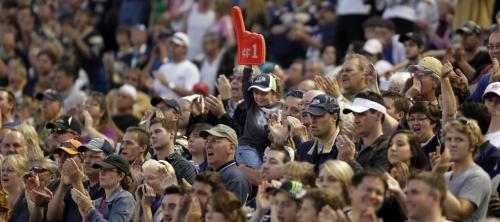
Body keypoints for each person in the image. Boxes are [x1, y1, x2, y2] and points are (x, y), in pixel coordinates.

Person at [434, 118, 492, 221]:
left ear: (472, 146)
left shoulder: (478, 177)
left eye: (459, 140)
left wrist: (437, 176)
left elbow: (457, 214)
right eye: (449, 139)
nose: (452, 144)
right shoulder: (445, 176)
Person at [237, 70, 281, 169]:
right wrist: (248, 67)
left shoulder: (280, 109)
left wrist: (275, 132)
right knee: (261, 172)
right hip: (247, 148)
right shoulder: (252, 104)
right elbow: (245, 84)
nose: (259, 97)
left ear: (274, 94)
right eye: (256, 93)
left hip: (265, 151)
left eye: (264, 93)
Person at [71, 154, 136, 222]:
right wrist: (85, 216)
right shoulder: (98, 202)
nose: (102, 172)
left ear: (120, 176)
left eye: (108, 169)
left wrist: (89, 209)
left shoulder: (125, 198)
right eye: (101, 168)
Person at [340, 92, 391, 172]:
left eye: (361, 114)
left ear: (378, 115)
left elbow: (375, 182)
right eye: (354, 115)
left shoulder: (388, 146)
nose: (356, 120)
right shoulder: (353, 146)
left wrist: (350, 160)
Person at [200, 124, 252, 203]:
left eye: (214, 141)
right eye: (207, 141)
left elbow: (230, 214)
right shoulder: (211, 172)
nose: (208, 145)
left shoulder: (235, 178)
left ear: (231, 148)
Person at [297, 94, 341, 172]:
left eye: (319, 115)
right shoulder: (303, 148)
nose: (313, 120)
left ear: (334, 117)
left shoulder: (343, 149)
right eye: (311, 115)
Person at [153, 32, 200, 99]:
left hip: (179, 108)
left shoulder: (191, 68)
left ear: (185, 49)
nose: (173, 47)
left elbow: (191, 94)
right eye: (172, 44)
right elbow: (157, 91)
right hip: (160, 107)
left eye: (177, 45)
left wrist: (167, 83)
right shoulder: (164, 67)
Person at [149, 118, 196, 184]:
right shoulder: (147, 165)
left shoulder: (185, 167)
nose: (153, 136)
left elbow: (190, 194)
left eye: (157, 131)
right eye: (150, 134)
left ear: (171, 134)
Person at [454, 21, 491, 85]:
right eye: (462, 35)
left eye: (468, 34)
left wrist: (461, 61)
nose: (464, 38)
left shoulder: (485, 57)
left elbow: (477, 79)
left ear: (478, 38)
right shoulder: (457, 59)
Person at [1, 155, 29, 222]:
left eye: (9, 170)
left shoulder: (27, 202)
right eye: (2, 170)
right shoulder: (1, 199)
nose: (4, 173)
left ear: (22, 175)